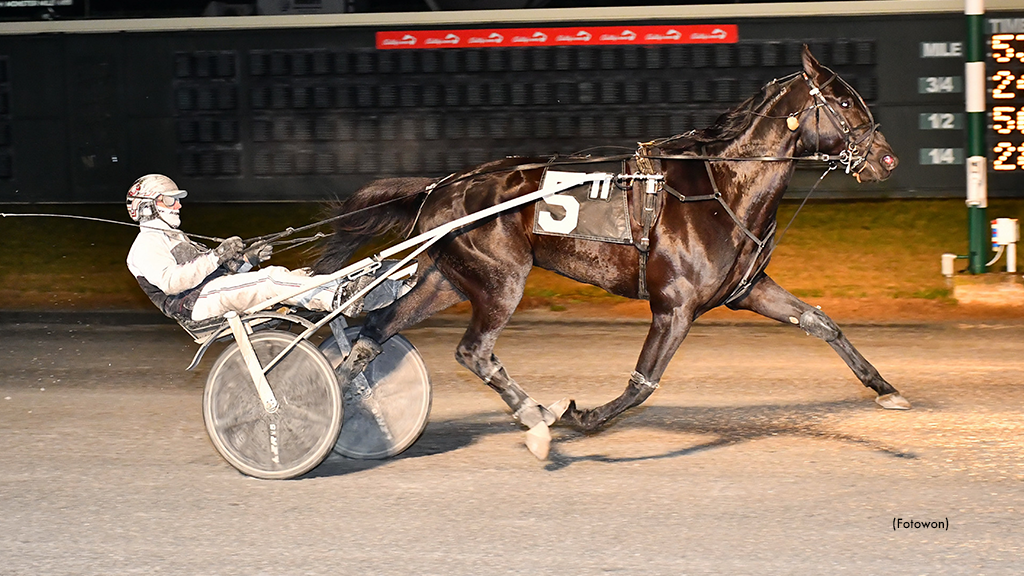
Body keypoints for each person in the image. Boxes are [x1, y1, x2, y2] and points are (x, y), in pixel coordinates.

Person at [125, 174, 343, 323]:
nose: (179, 206)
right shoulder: (146, 243)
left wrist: (247, 260)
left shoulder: (174, 237)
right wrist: (216, 256)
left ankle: (340, 287)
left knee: (291, 276)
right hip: (195, 303)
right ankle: (336, 296)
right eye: (170, 200)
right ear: (147, 206)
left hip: (207, 293)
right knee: (270, 280)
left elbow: (215, 273)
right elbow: (172, 283)